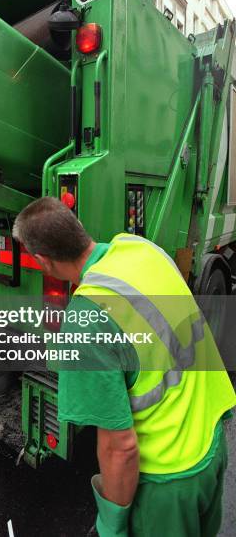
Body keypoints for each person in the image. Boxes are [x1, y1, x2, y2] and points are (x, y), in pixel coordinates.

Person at [13, 196, 236, 537]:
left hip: (168, 479)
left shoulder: (86, 321)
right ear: (79, 229)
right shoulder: (140, 248)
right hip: (211, 442)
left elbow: (121, 448)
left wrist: (111, 525)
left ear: (43, 260)